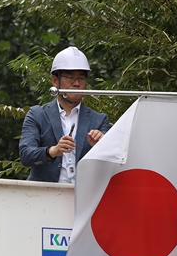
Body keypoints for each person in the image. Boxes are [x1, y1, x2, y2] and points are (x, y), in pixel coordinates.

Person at [18, 46, 111, 183]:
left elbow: (112, 162)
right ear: (55, 81)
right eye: (70, 78)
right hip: (43, 195)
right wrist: (53, 151)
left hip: (84, 197)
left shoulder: (99, 120)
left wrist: (102, 146)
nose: (76, 83)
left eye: (81, 78)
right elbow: (26, 155)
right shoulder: (37, 115)